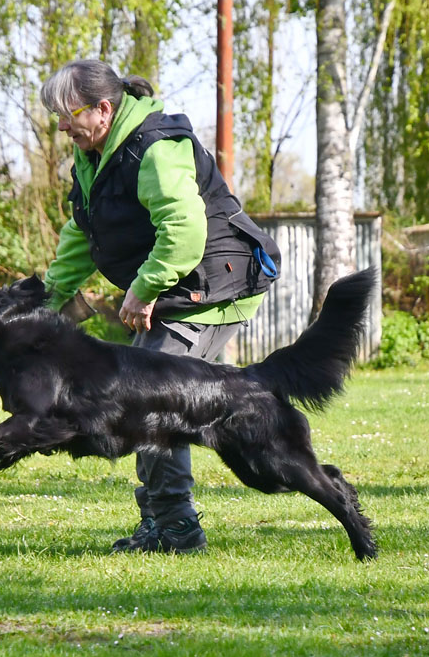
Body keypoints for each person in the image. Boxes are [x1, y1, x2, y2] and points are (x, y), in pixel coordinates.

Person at [38, 59, 280, 552]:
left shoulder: (155, 149)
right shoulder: (93, 160)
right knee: (145, 399)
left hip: (213, 284)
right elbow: (82, 240)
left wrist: (144, 287)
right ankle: (159, 523)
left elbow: (185, 233)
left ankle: (177, 529)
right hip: (178, 287)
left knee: (153, 400)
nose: (62, 126)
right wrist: (43, 306)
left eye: (68, 115)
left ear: (103, 110)